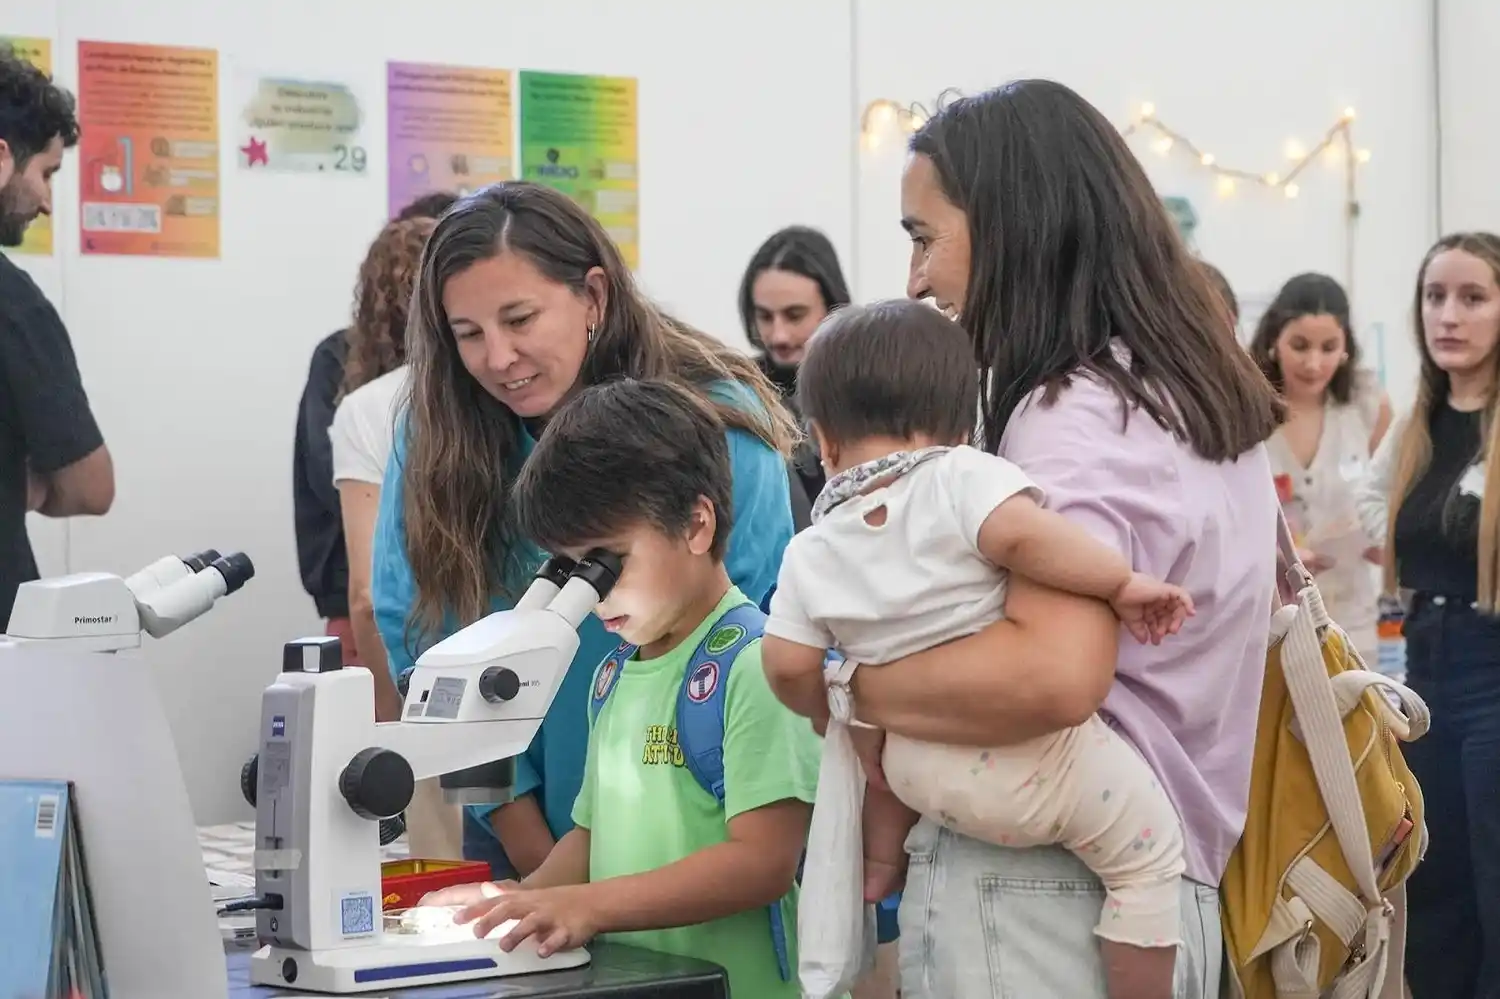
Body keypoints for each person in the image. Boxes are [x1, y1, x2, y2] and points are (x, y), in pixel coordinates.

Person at [851, 79, 1282, 998]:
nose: (916, 281)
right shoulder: (1196, 401)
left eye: (925, 238)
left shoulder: (1071, 415)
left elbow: (1053, 674)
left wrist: (847, 680)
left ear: (1016, 225)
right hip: (1161, 897)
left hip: (1041, 892)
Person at [763, 300, 1195, 999]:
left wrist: (838, 709)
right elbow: (1026, 540)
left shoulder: (811, 549)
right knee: (1147, 856)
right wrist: (1120, 581)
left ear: (822, 438)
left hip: (912, 772)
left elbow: (785, 664)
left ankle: (879, 867)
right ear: (964, 427)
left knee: (874, 744)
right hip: (1030, 767)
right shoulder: (960, 475)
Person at [370, 181, 797, 885]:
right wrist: (535, 850)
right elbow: (420, 632)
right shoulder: (438, 433)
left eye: (520, 319)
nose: (499, 357)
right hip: (513, 819)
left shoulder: (717, 419)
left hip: (692, 816)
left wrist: (593, 876)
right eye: (469, 334)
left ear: (593, 296)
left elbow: (748, 630)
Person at [420, 379, 819, 997]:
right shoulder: (614, 674)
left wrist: (591, 907)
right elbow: (591, 834)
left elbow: (762, 863)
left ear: (695, 525)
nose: (592, 589)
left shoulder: (754, 665)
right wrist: (518, 901)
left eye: (608, 561)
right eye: (571, 568)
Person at [1354, 231, 1500, 999]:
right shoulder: (1418, 423)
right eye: (1435, 296)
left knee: (1493, 877)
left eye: (1473, 297)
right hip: (1424, 674)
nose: (1449, 314)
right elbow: (1373, 507)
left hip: (1492, 666)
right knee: (1432, 878)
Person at [327, 216, 462, 860]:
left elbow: (364, 591)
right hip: (522, 674)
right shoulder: (506, 394)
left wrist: (395, 718)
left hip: (427, 673)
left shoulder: (369, 407)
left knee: (447, 879)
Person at [292, 191, 456, 661]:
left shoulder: (476, 380)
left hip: (443, 604)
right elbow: (330, 477)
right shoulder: (341, 367)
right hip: (368, 601)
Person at [0, 48, 112, 626]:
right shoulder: (14, 307)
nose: (45, 201)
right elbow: (91, 488)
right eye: (45, 173)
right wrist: (35, 489)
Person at [1249, 273, 1392, 668]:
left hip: (1354, 618)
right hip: (1273, 619)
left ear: (1346, 347)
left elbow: (1382, 498)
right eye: (1300, 346)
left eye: (1329, 348)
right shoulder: (1246, 410)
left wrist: (1384, 539)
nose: (1314, 363)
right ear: (1274, 341)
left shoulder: (1366, 406)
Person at [738, 226, 852, 525]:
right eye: (764, 316)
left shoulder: (868, 388)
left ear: (832, 307)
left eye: (795, 315)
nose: (779, 336)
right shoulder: (740, 394)